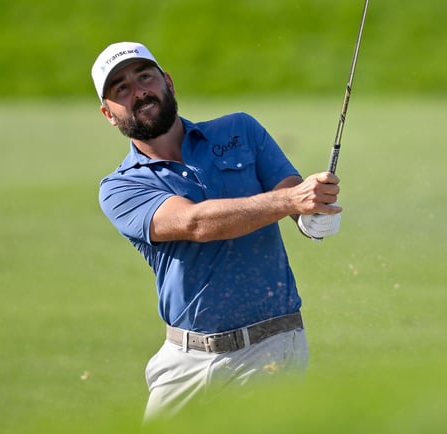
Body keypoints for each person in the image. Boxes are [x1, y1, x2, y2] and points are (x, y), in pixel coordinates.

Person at [91, 41, 343, 420]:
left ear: (168, 83)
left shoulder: (240, 130)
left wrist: (314, 211)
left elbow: (291, 194)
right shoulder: (120, 187)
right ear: (109, 113)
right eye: (121, 89)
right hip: (183, 358)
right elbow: (196, 223)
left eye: (145, 77)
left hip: (268, 346)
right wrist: (293, 201)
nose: (139, 91)